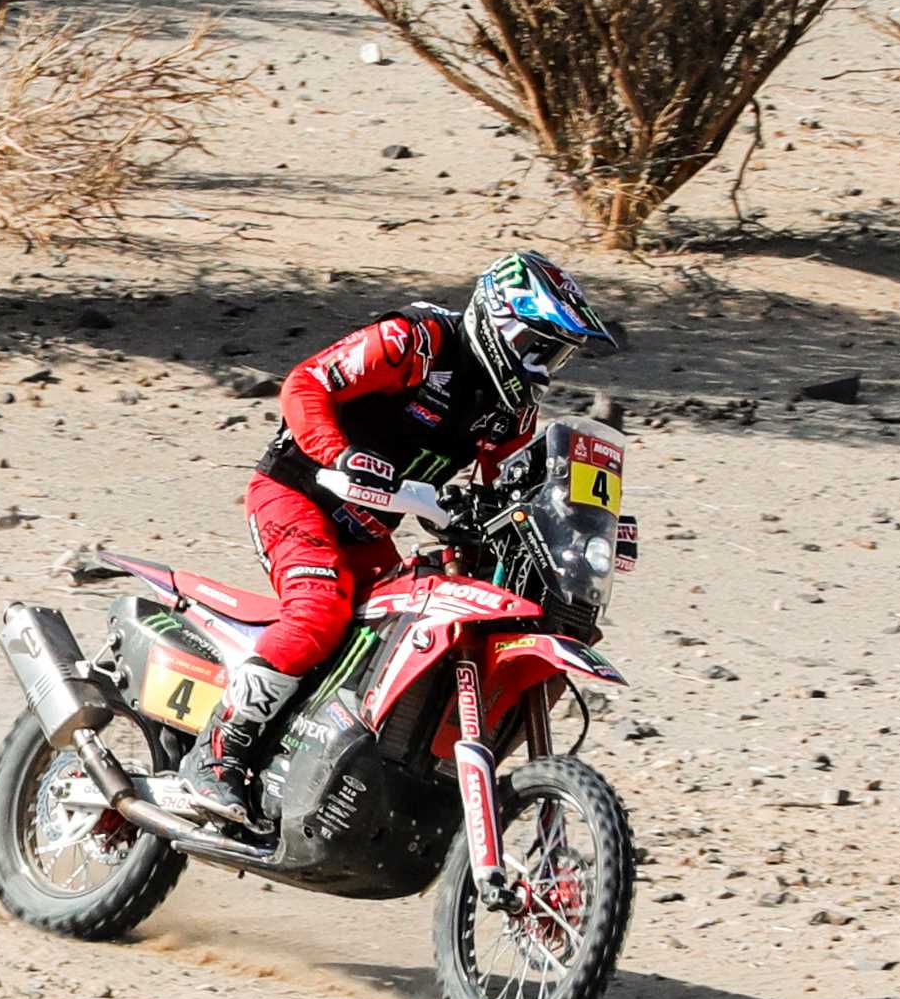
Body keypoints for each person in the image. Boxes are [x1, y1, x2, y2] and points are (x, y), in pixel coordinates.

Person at [150, 251, 618, 831]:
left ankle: (334, 766)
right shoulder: (417, 340)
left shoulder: (512, 410)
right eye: (537, 348)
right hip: (296, 495)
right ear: (500, 321)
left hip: (368, 529)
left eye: (555, 355)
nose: (542, 368)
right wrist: (339, 453)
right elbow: (306, 383)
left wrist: (575, 530)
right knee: (319, 610)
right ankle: (217, 755)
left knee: (409, 619)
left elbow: (505, 487)